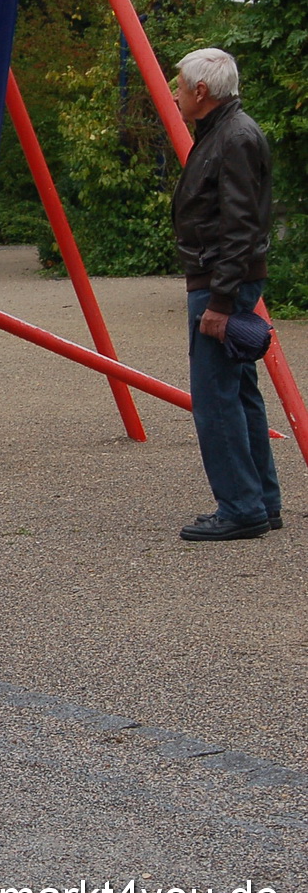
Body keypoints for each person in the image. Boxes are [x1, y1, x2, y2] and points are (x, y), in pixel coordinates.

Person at [170, 48, 281, 542]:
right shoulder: (228, 131)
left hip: (219, 279)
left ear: (201, 92)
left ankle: (240, 506)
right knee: (239, 390)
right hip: (226, 276)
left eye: (179, 86)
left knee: (216, 396)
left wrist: (218, 303)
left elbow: (239, 224)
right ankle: (261, 500)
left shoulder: (231, 137)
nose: (174, 95)